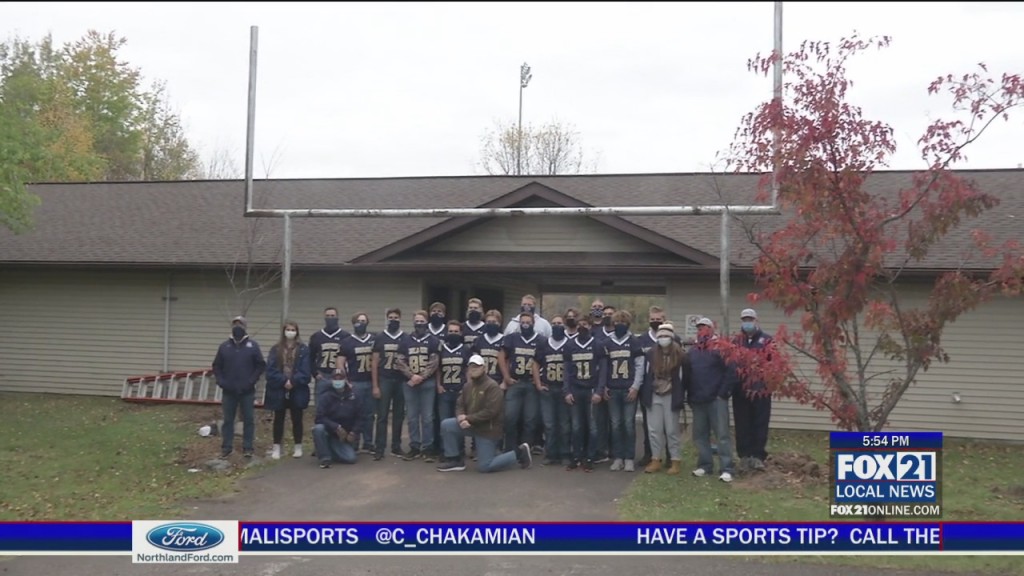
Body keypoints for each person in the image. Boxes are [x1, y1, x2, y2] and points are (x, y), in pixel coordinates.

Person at [436, 354, 534, 473]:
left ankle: (519, 453)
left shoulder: (492, 386)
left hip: (488, 430)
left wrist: (468, 418)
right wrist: (461, 418)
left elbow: (491, 412)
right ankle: (455, 460)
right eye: (472, 367)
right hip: (472, 425)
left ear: (484, 368)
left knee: (485, 466)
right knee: (447, 425)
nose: (474, 370)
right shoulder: (468, 386)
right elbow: (459, 405)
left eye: (477, 367)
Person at [687, 316, 737, 483]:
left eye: (705, 328)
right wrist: (690, 395)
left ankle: (727, 468)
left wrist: (722, 393)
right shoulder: (693, 351)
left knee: (722, 435)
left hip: (716, 399)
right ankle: (705, 465)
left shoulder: (720, 348)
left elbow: (731, 371)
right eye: (699, 328)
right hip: (698, 399)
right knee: (700, 435)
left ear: (712, 329)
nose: (702, 331)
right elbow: (688, 375)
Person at [212, 316, 266, 459]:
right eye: (235, 324)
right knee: (228, 420)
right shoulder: (224, 346)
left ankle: (248, 447)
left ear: (245, 327)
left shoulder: (253, 346)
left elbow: (260, 365)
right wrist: (221, 381)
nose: (237, 326)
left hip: (247, 391)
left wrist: (251, 381)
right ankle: (226, 447)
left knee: (248, 419)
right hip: (229, 391)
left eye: (240, 324)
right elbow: (217, 366)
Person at [601, 310, 645, 472]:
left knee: (628, 424)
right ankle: (618, 457)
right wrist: (604, 386)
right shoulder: (607, 342)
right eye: (617, 322)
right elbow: (604, 367)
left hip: (628, 389)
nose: (620, 325)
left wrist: (635, 386)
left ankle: (629, 458)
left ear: (628, 324)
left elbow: (640, 366)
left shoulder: (634, 342)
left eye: (623, 323)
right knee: (615, 424)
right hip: (613, 389)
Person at [641, 323, 688, 475]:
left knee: (671, 430)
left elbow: (684, 379)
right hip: (654, 395)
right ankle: (655, 459)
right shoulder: (651, 354)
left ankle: (675, 460)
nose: (663, 339)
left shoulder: (680, 355)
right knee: (654, 430)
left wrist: (682, 396)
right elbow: (646, 375)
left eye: (666, 336)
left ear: (672, 337)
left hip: (671, 395)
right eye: (660, 336)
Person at [731, 308, 775, 472]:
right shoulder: (736, 342)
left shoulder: (767, 340)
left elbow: (774, 365)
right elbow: (731, 366)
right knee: (742, 424)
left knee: (760, 423)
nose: (747, 322)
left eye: (750, 319)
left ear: (756, 321)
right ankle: (744, 456)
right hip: (740, 391)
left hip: (761, 391)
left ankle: (758, 456)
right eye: (744, 319)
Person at [396, 310, 441, 461]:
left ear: (427, 322)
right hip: (409, 383)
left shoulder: (433, 341)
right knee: (412, 417)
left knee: (428, 417)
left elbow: (434, 362)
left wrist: (421, 377)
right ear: (413, 322)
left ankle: (427, 448)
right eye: (417, 321)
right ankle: (414, 446)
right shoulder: (405, 340)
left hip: (427, 383)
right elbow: (400, 361)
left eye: (422, 321)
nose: (419, 323)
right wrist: (412, 376)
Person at [264, 320, 312, 459]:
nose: (290, 332)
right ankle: (277, 447)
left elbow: (305, 371)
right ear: (284, 331)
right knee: (279, 418)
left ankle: (298, 446)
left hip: (297, 389)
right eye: (288, 329)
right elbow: (270, 370)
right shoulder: (276, 349)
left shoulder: (303, 349)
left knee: (297, 418)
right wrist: (284, 381)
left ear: (297, 332)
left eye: (293, 329)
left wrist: (293, 381)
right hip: (279, 389)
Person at [562, 316, 606, 472]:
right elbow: (566, 370)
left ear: (590, 326)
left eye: (585, 324)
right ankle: (576, 456)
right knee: (576, 426)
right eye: (579, 324)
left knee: (592, 427)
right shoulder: (569, 345)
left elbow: (603, 370)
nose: (582, 327)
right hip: (575, 390)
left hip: (591, 389)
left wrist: (600, 390)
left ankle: (589, 458)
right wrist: (566, 391)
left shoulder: (597, 345)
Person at [499, 311, 542, 453]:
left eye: (528, 323)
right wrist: (506, 376)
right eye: (523, 322)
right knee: (510, 417)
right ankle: (510, 449)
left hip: (531, 383)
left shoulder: (541, 340)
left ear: (533, 324)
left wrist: (539, 382)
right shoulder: (512, 338)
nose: (525, 325)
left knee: (530, 419)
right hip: (515, 382)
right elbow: (502, 356)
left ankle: (525, 449)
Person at [533, 314, 571, 465]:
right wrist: (537, 383)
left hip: (563, 388)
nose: (557, 326)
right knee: (549, 424)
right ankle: (551, 454)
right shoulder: (544, 344)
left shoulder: (569, 344)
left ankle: (565, 453)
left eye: (559, 323)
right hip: (548, 388)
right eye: (554, 323)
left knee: (564, 424)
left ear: (564, 326)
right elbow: (535, 364)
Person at [371, 307, 407, 460]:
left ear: (400, 319)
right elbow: (374, 362)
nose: (393, 320)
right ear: (387, 319)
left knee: (399, 415)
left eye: (396, 317)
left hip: (400, 380)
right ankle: (379, 447)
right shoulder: (380, 337)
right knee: (382, 416)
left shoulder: (405, 338)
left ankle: (396, 446)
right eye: (391, 317)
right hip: (385, 379)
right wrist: (375, 385)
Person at [312, 364, 364, 468]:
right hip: (330, 431)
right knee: (318, 429)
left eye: (341, 378)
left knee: (351, 459)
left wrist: (354, 432)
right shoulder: (325, 396)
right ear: (331, 380)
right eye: (335, 378)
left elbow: (361, 417)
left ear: (346, 379)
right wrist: (336, 427)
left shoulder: (355, 396)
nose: (338, 380)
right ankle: (325, 458)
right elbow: (319, 417)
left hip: (346, 435)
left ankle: (328, 447)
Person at [339, 312, 377, 453]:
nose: (361, 323)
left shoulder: (373, 339)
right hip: (355, 381)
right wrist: (345, 381)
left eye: (364, 321)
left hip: (370, 380)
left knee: (369, 414)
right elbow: (340, 363)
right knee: (355, 413)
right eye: (358, 321)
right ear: (353, 323)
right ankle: (354, 442)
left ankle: (368, 443)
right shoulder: (347, 342)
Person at [436, 320, 470, 459]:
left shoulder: (465, 350)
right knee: (444, 423)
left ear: (461, 333)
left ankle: (460, 450)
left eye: (456, 332)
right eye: (451, 331)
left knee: (459, 422)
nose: (453, 334)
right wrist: (438, 385)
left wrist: (466, 387)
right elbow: (437, 369)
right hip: (445, 391)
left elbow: (468, 370)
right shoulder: (441, 349)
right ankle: (446, 451)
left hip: (459, 392)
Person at [309, 307, 351, 398]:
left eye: (332, 316)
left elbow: (350, 358)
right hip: (322, 375)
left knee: (339, 404)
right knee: (321, 406)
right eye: (327, 316)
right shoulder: (316, 336)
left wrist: (346, 376)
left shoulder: (345, 336)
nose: (330, 318)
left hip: (339, 375)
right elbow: (310, 357)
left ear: (337, 317)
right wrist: (315, 373)